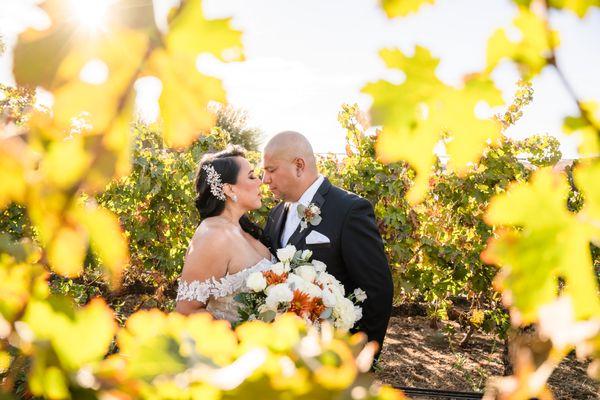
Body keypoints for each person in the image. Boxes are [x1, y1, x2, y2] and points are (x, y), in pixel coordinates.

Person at [261, 131, 394, 350]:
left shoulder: (350, 210)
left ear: (299, 166)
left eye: (271, 170)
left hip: (332, 353)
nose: (265, 179)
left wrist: (359, 359)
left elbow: (378, 292)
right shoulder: (275, 214)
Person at [175, 145, 273, 322]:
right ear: (229, 189)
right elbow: (186, 313)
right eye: (251, 176)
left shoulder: (243, 229)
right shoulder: (213, 235)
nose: (260, 181)